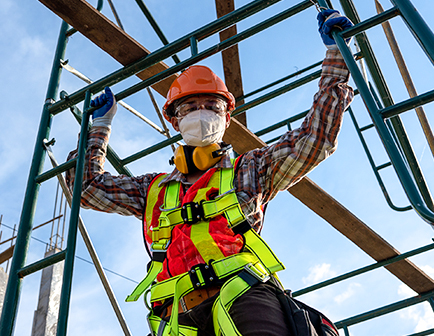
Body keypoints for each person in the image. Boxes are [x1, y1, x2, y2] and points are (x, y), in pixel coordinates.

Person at [67, 9, 354, 336]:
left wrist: (336, 59)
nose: (201, 113)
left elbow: (313, 141)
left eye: (211, 106)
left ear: (227, 118)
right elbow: (87, 188)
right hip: (176, 314)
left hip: (244, 295)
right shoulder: (154, 191)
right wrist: (99, 128)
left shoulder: (250, 170)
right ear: (174, 121)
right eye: (190, 107)